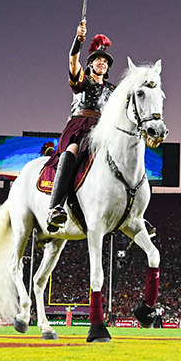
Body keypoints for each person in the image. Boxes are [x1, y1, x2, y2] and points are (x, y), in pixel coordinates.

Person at [46, 22, 116, 232]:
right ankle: (55, 207)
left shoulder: (113, 90)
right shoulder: (82, 81)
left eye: (105, 61)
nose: (102, 63)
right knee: (72, 152)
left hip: (102, 129)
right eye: (97, 60)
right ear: (91, 65)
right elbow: (72, 60)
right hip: (80, 125)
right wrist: (79, 41)